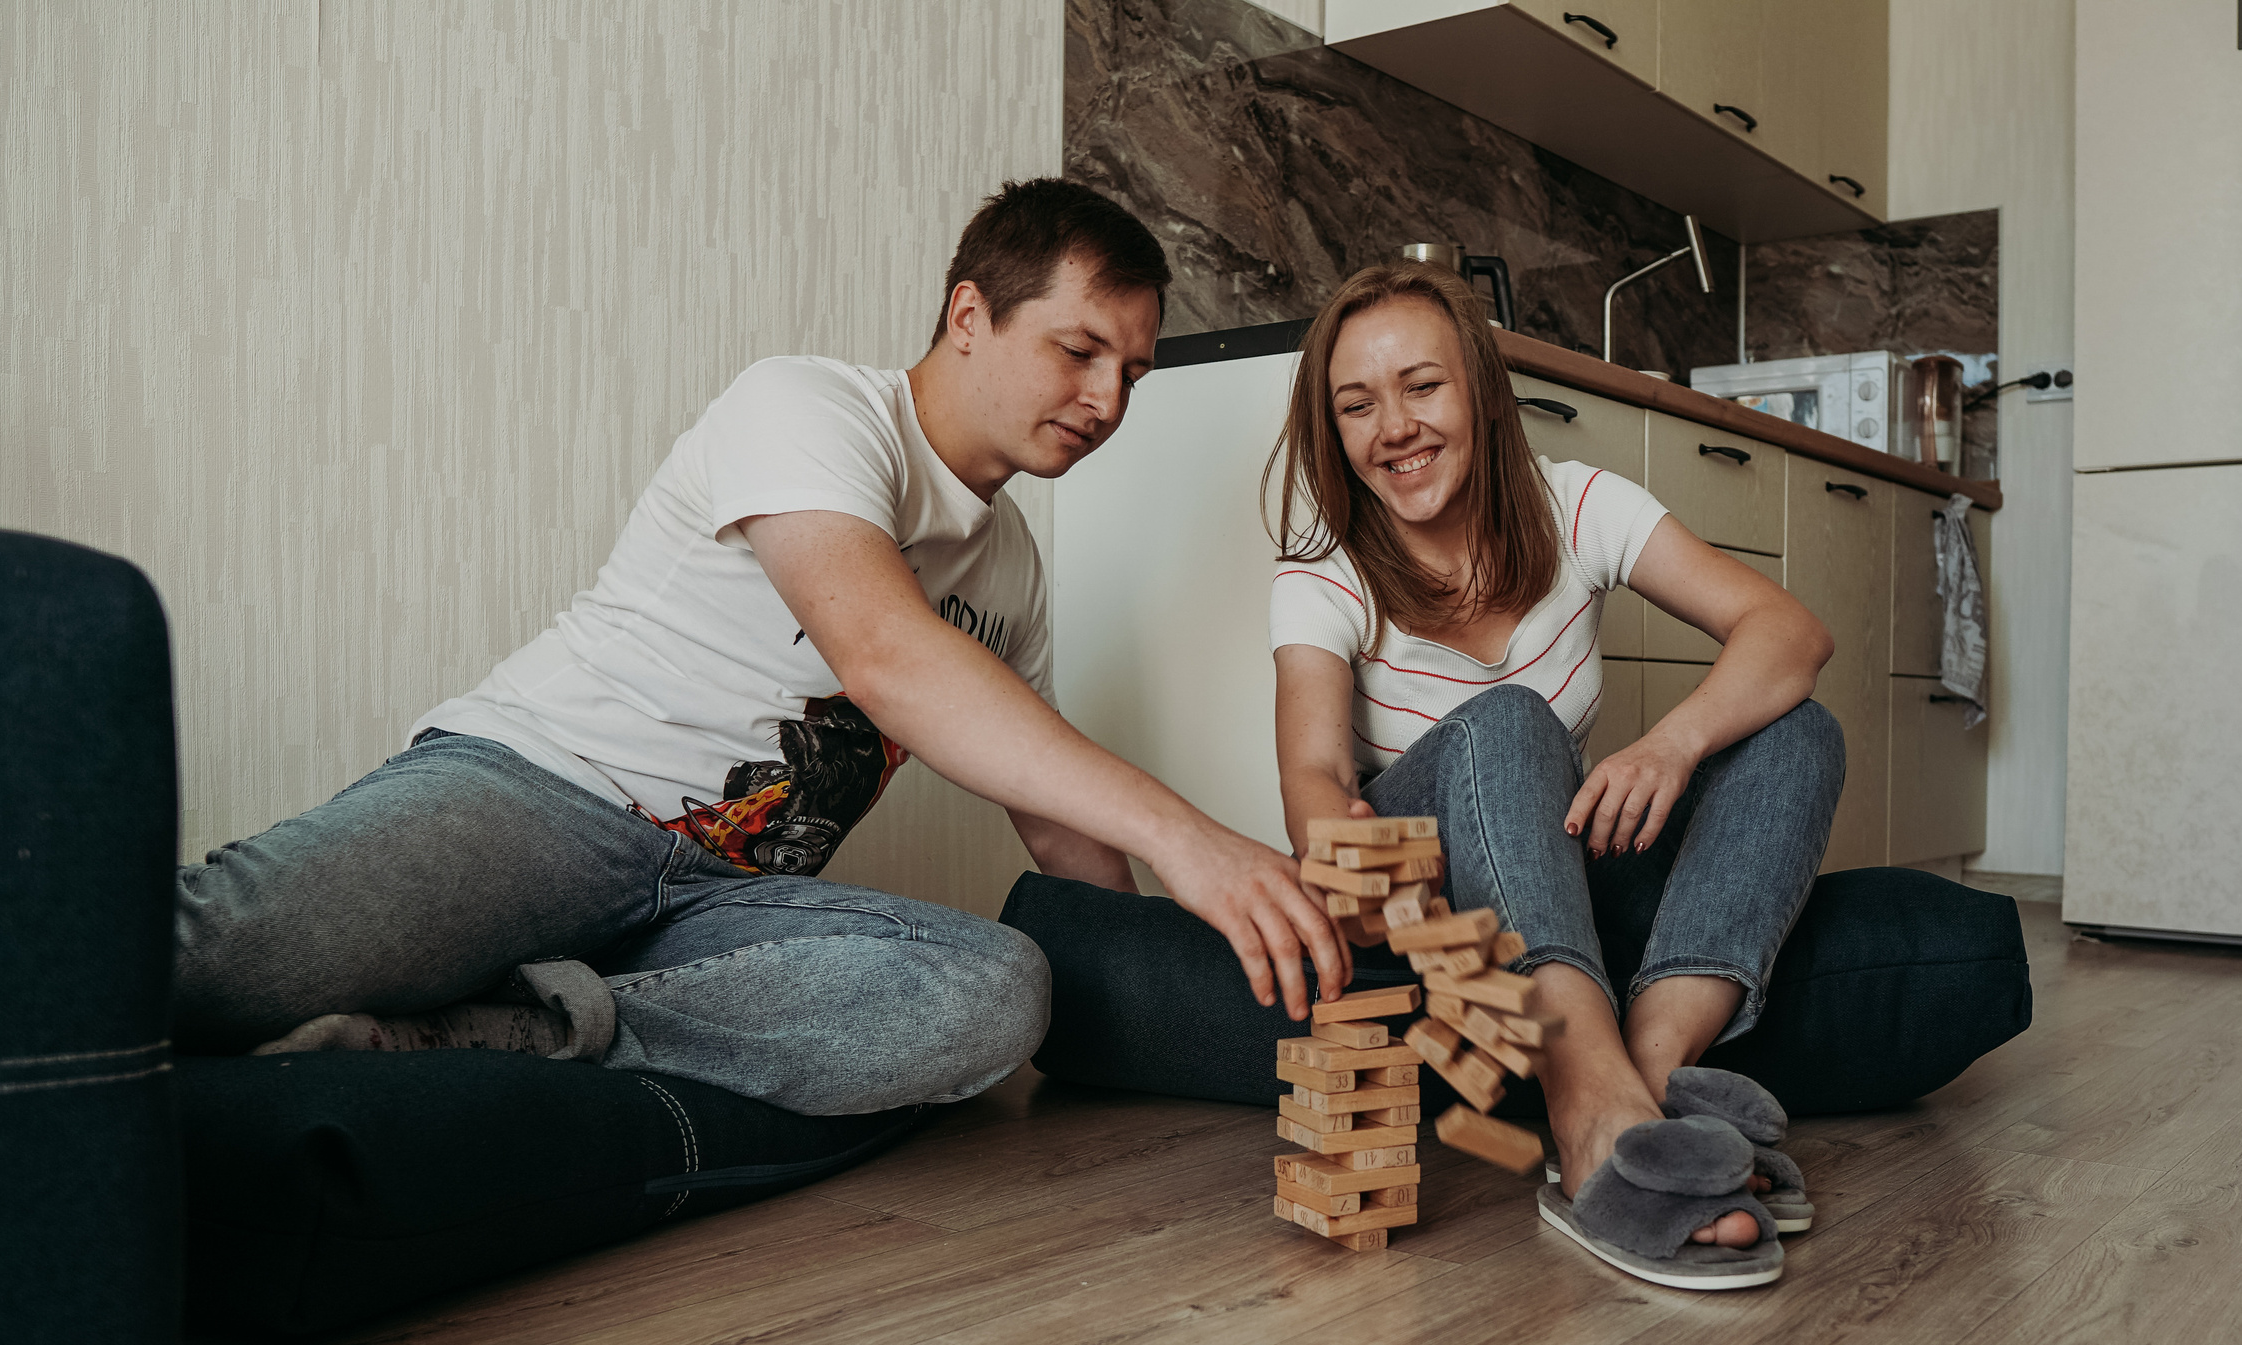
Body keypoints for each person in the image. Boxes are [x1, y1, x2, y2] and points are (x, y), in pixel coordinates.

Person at [173, 178, 1350, 1117]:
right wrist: (1195, 838)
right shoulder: (811, 408)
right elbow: (886, 659)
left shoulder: (1012, 574)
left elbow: (1055, 826)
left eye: (1133, 372)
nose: (1106, 400)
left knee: (997, 991)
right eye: (1079, 350)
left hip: (726, 903)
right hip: (544, 797)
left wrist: (1178, 970)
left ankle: (516, 1025)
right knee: (210, 960)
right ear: (969, 315)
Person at [1266, 260, 1842, 1287]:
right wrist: (1349, 870)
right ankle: (1584, 1110)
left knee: (1798, 729)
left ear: (1482, 392)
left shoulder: (1576, 503)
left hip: (1548, 859)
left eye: (1421, 386)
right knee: (1508, 720)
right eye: (1357, 404)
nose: (1391, 425)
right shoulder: (1324, 568)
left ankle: (1649, 1080)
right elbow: (1311, 776)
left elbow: (1787, 632)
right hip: (1433, 896)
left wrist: (1672, 742)